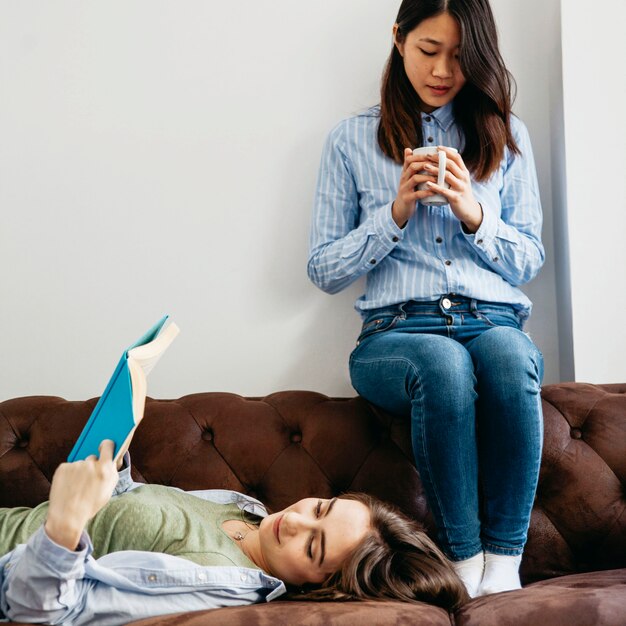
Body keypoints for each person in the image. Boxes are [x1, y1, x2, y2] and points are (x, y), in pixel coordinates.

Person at [308, 0, 544, 599]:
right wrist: (393, 215)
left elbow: (530, 259)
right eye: (428, 51)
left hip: (490, 320)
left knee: (510, 357)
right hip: (395, 333)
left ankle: (504, 561)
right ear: (398, 39)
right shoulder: (350, 139)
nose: (442, 71)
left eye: (461, 57)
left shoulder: (507, 135)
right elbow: (324, 270)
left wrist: (474, 212)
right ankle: (463, 563)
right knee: (443, 364)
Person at [0, 439, 468, 625]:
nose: (297, 521)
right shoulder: (248, 513)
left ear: (320, 587)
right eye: (321, 508)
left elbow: (43, 613)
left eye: (313, 545)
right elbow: (127, 518)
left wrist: (64, 525)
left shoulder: (216, 577)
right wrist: (114, 459)